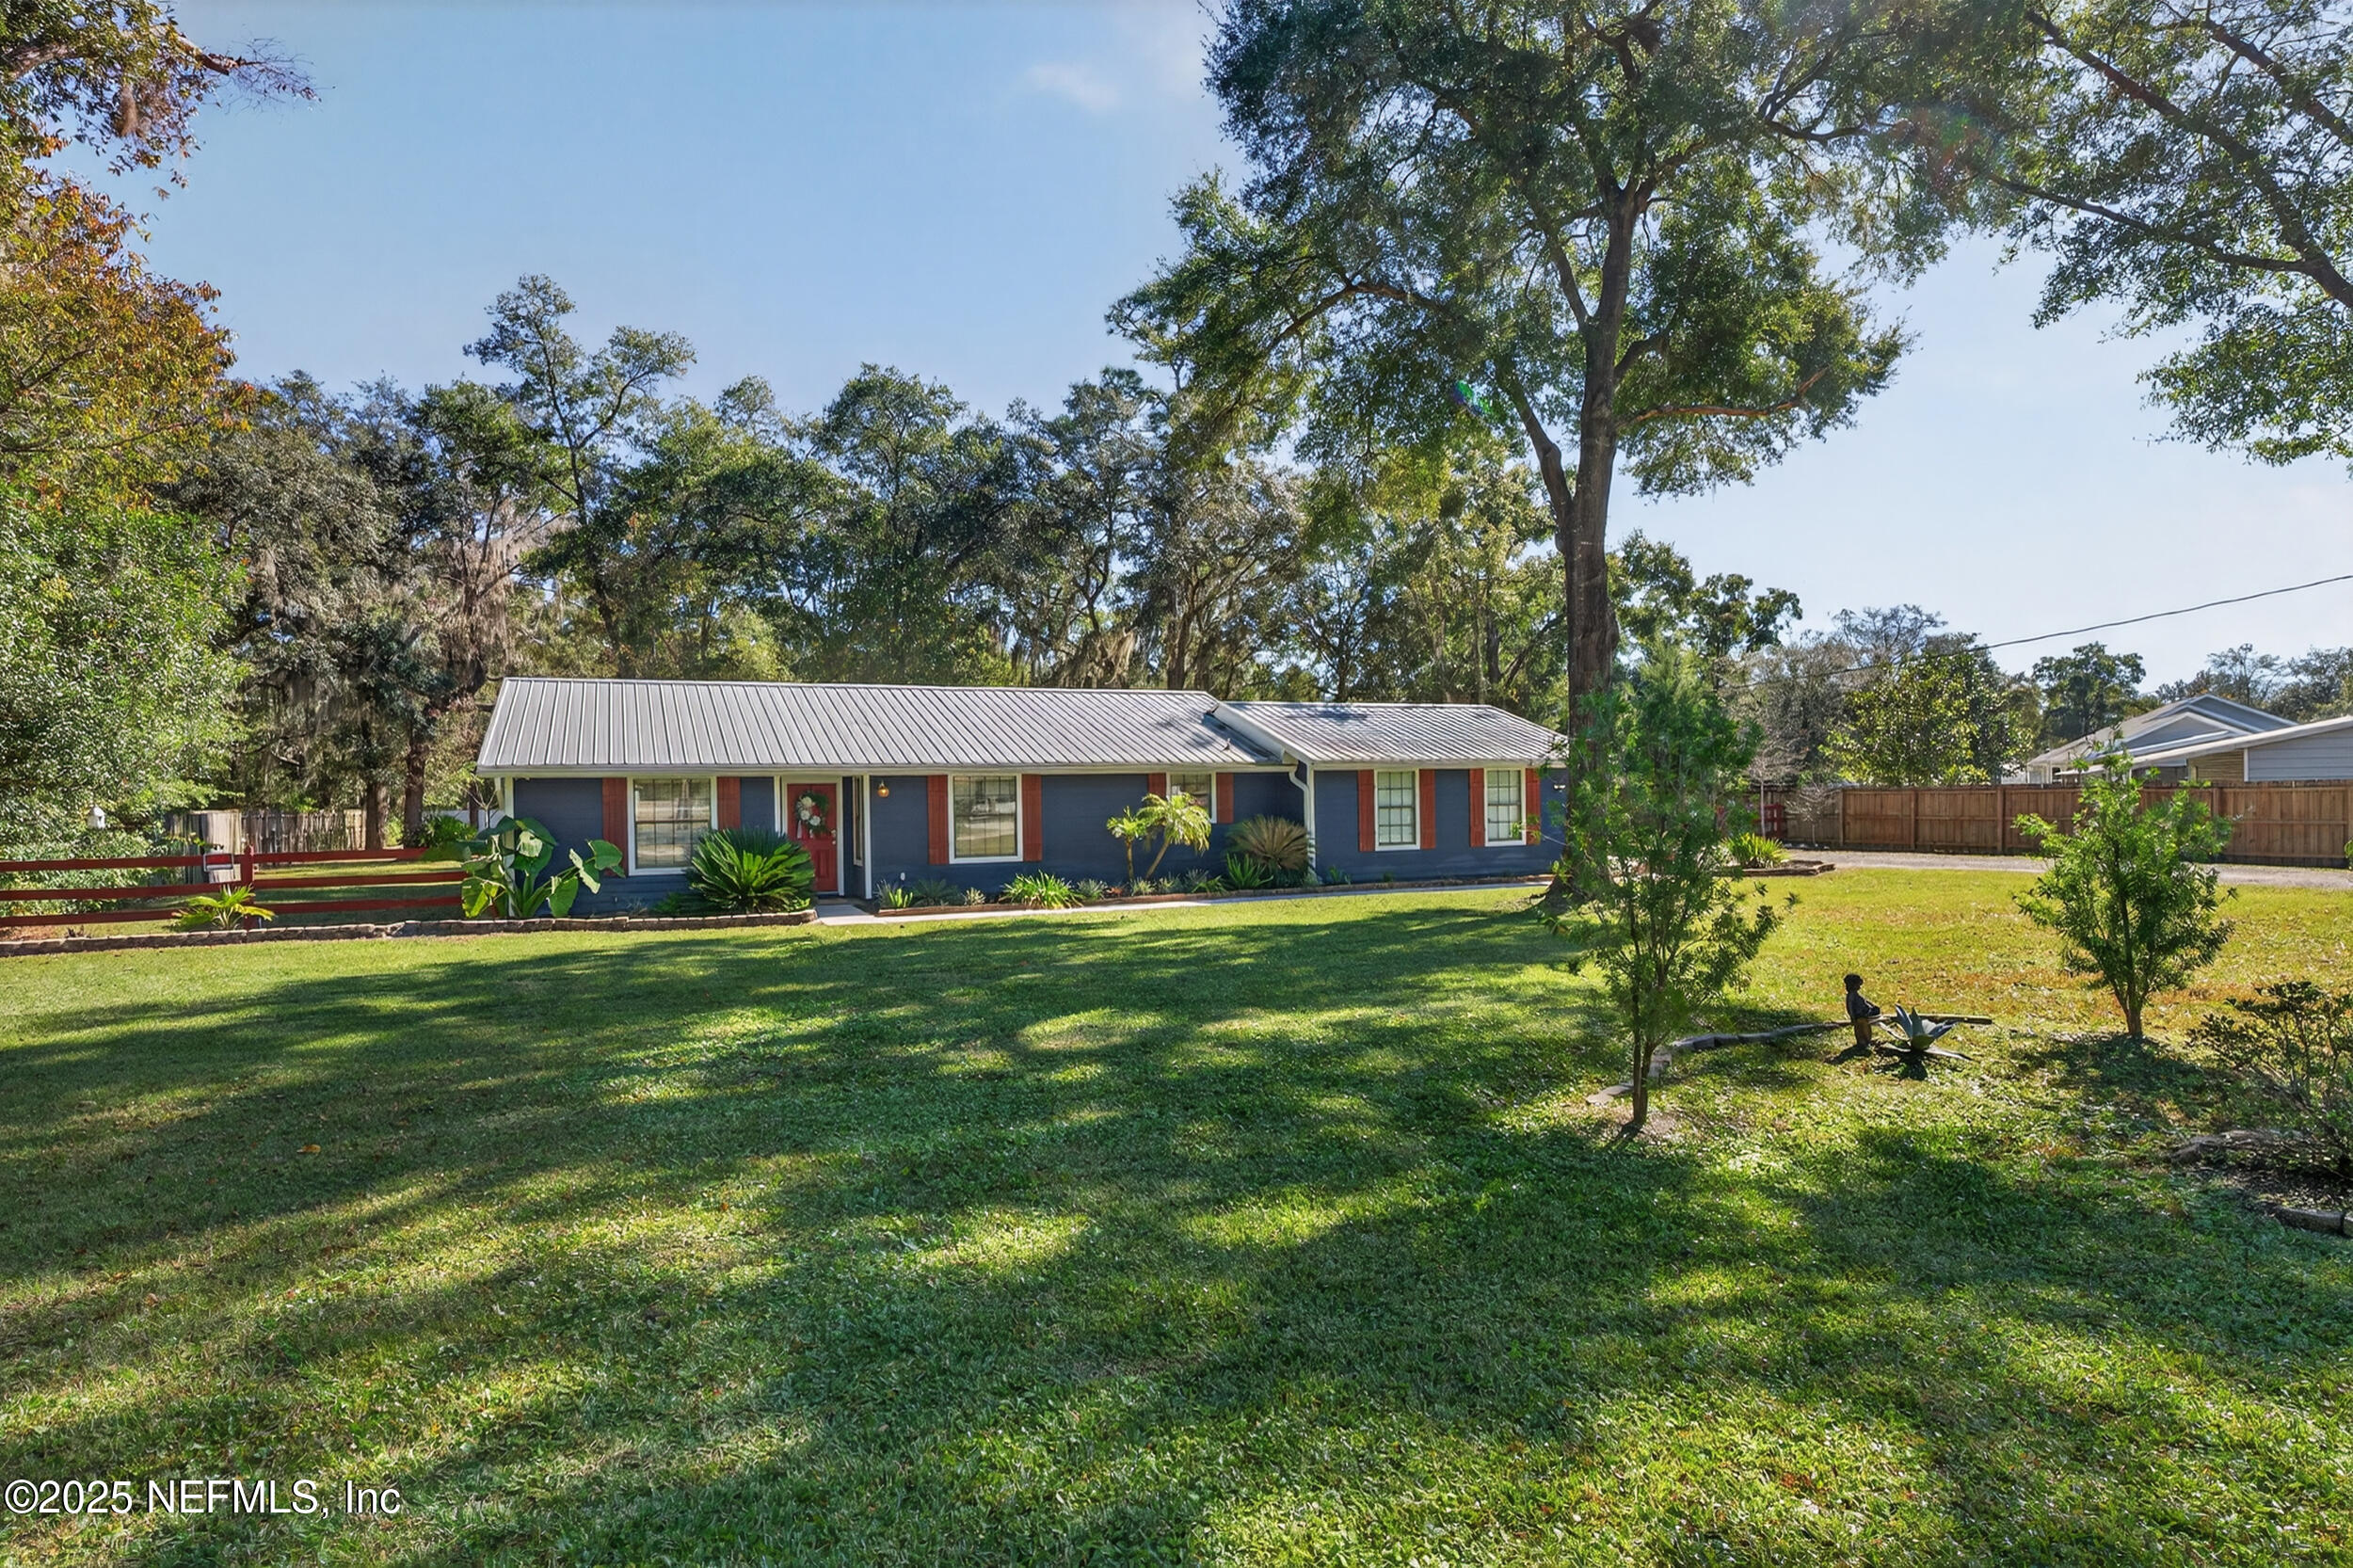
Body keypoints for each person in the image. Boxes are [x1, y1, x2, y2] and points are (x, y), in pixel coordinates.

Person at [1844, 973, 1881, 1049]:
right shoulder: (1851, 996)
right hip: (1860, 1014)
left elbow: (1865, 1001)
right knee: (1861, 1027)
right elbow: (1850, 1006)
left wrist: (1872, 1006)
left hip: (1865, 1012)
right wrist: (1852, 1017)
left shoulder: (1856, 994)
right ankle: (1864, 1041)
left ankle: (1867, 1041)